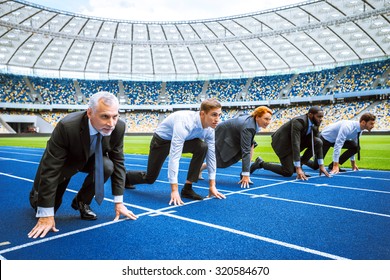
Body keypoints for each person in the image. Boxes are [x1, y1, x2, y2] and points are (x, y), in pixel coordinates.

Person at [28, 91, 137, 239]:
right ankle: (36, 196)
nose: (111, 123)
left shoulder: (118, 128)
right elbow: (51, 169)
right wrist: (46, 214)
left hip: (91, 159)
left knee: (108, 166)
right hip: (64, 162)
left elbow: (118, 162)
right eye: (104, 116)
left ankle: (82, 202)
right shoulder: (67, 127)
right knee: (45, 208)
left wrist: (119, 202)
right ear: (90, 113)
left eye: (115, 116)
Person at [125, 98, 226, 205]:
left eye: (219, 115)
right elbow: (175, 156)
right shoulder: (184, 123)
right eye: (214, 115)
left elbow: (211, 156)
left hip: (184, 140)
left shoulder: (210, 129)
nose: (217, 119)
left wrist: (212, 185)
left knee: (202, 147)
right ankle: (126, 177)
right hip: (161, 141)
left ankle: (188, 188)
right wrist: (174, 190)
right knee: (150, 178)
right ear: (202, 114)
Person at [198, 106, 273, 188]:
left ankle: (245, 173)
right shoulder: (248, 127)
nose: (268, 122)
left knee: (252, 144)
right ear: (257, 117)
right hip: (223, 135)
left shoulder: (252, 121)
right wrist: (246, 175)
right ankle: (200, 167)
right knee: (223, 163)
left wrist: (245, 173)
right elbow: (246, 151)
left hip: (234, 135)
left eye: (269, 119)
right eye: (266, 119)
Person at [250, 106, 330, 180]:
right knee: (288, 172)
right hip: (282, 144)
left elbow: (318, 144)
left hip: (294, 142)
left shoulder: (315, 124)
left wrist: (321, 166)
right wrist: (298, 168)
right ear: (310, 115)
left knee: (318, 141)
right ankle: (260, 163)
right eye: (319, 117)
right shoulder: (299, 122)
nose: (321, 119)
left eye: (322, 117)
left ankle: (298, 165)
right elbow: (296, 143)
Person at [305, 112, 376, 174]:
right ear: (363, 122)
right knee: (316, 166)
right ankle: (300, 158)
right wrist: (336, 166)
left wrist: (353, 164)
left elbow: (354, 147)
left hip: (335, 139)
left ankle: (332, 165)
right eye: (371, 124)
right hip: (325, 139)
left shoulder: (360, 130)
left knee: (356, 146)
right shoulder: (347, 127)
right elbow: (338, 146)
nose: (373, 126)